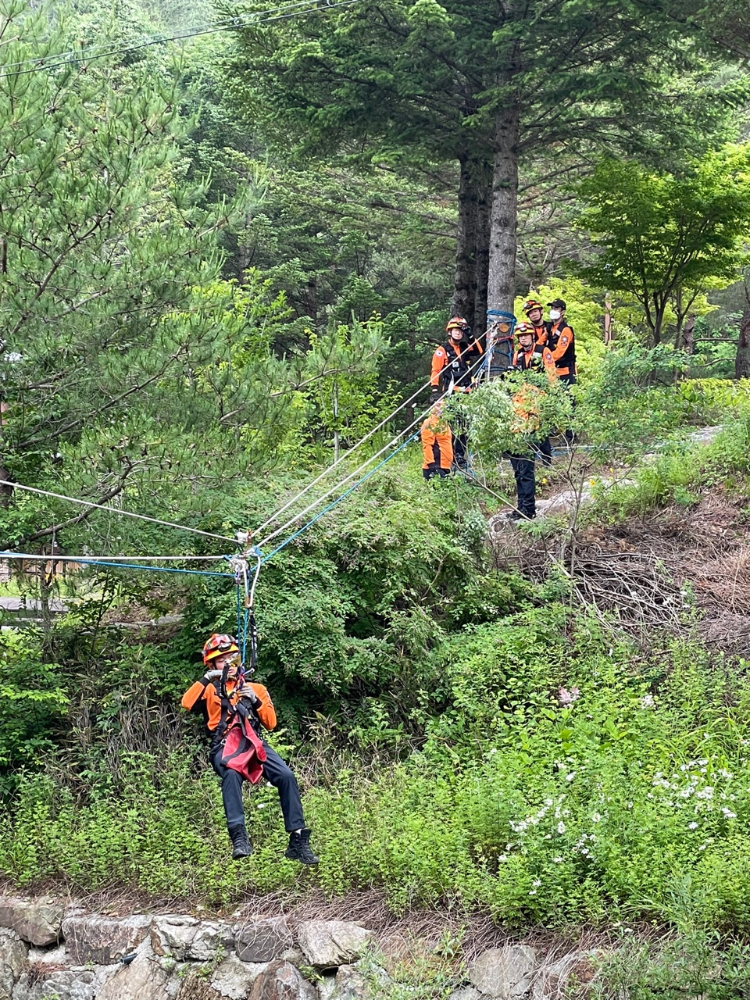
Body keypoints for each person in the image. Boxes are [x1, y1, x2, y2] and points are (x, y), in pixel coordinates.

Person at [181, 633, 319, 865]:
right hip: (224, 745)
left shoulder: (255, 687)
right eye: (221, 660)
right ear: (213, 664)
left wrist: (254, 700)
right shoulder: (209, 689)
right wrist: (208, 678)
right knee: (231, 774)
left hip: (252, 742)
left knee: (286, 776)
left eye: (231, 658)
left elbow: (271, 723)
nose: (227, 663)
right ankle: (239, 838)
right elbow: (186, 703)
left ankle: (297, 840)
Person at [430, 316, 484, 469]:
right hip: (452, 393)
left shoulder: (466, 347)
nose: (459, 333)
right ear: (450, 332)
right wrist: (435, 390)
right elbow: (436, 371)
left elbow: (479, 350)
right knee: (453, 425)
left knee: (465, 425)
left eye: (461, 331)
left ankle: (460, 455)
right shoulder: (442, 351)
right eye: (456, 330)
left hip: (467, 393)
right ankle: (451, 454)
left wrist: (470, 334)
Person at [512, 322, 555, 467]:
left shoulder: (543, 351)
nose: (523, 339)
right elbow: (515, 376)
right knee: (524, 428)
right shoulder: (518, 354)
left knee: (541, 430)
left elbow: (551, 373)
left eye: (525, 336)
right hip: (523, 397)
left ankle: (546, 461)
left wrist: (549, 394)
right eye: (520, 336)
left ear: (532, 336)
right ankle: (528, 459)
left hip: (539, 395)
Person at [543, 298, 577, 386]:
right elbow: (540, 343)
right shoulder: (549, 328)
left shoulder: (566, 330)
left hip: (566, 372)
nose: (553, 310)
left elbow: (560, 352)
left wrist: (545, 360)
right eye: (552, 308)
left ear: (562, 312)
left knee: (568, 398)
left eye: (556, 308)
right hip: (552, 372)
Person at [420, 402, 452, 479]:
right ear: (431, 407)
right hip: (435, 467)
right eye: (438, 405)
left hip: (445, 466)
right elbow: (427, 445)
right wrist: (432, 467)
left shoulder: (444, 422)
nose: (442, 408)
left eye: (444, 405)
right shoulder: (429, 422)